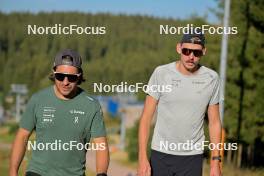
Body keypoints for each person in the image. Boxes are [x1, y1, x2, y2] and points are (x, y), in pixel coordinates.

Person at [9, 49, 109, 176]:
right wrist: (13, 171)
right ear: (54, 73)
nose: (65, 82)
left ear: (79, 76)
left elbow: (101, 145)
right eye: (60, 76)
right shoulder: (38, 99)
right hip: (37, 172)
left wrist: (101, 174)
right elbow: (22, 136)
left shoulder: (91, 105)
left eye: (71, 77)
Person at [138, 30, 222, 176]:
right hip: (161, 154)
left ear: (204, 52)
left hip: (193, 157)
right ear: (179, 48)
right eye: (186, 51)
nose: (191, 57)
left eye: (196, 53)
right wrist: (142, 158)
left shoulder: (212, 78)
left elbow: (214, 123)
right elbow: (145, 118)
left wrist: (215, 163)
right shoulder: (161, 73)